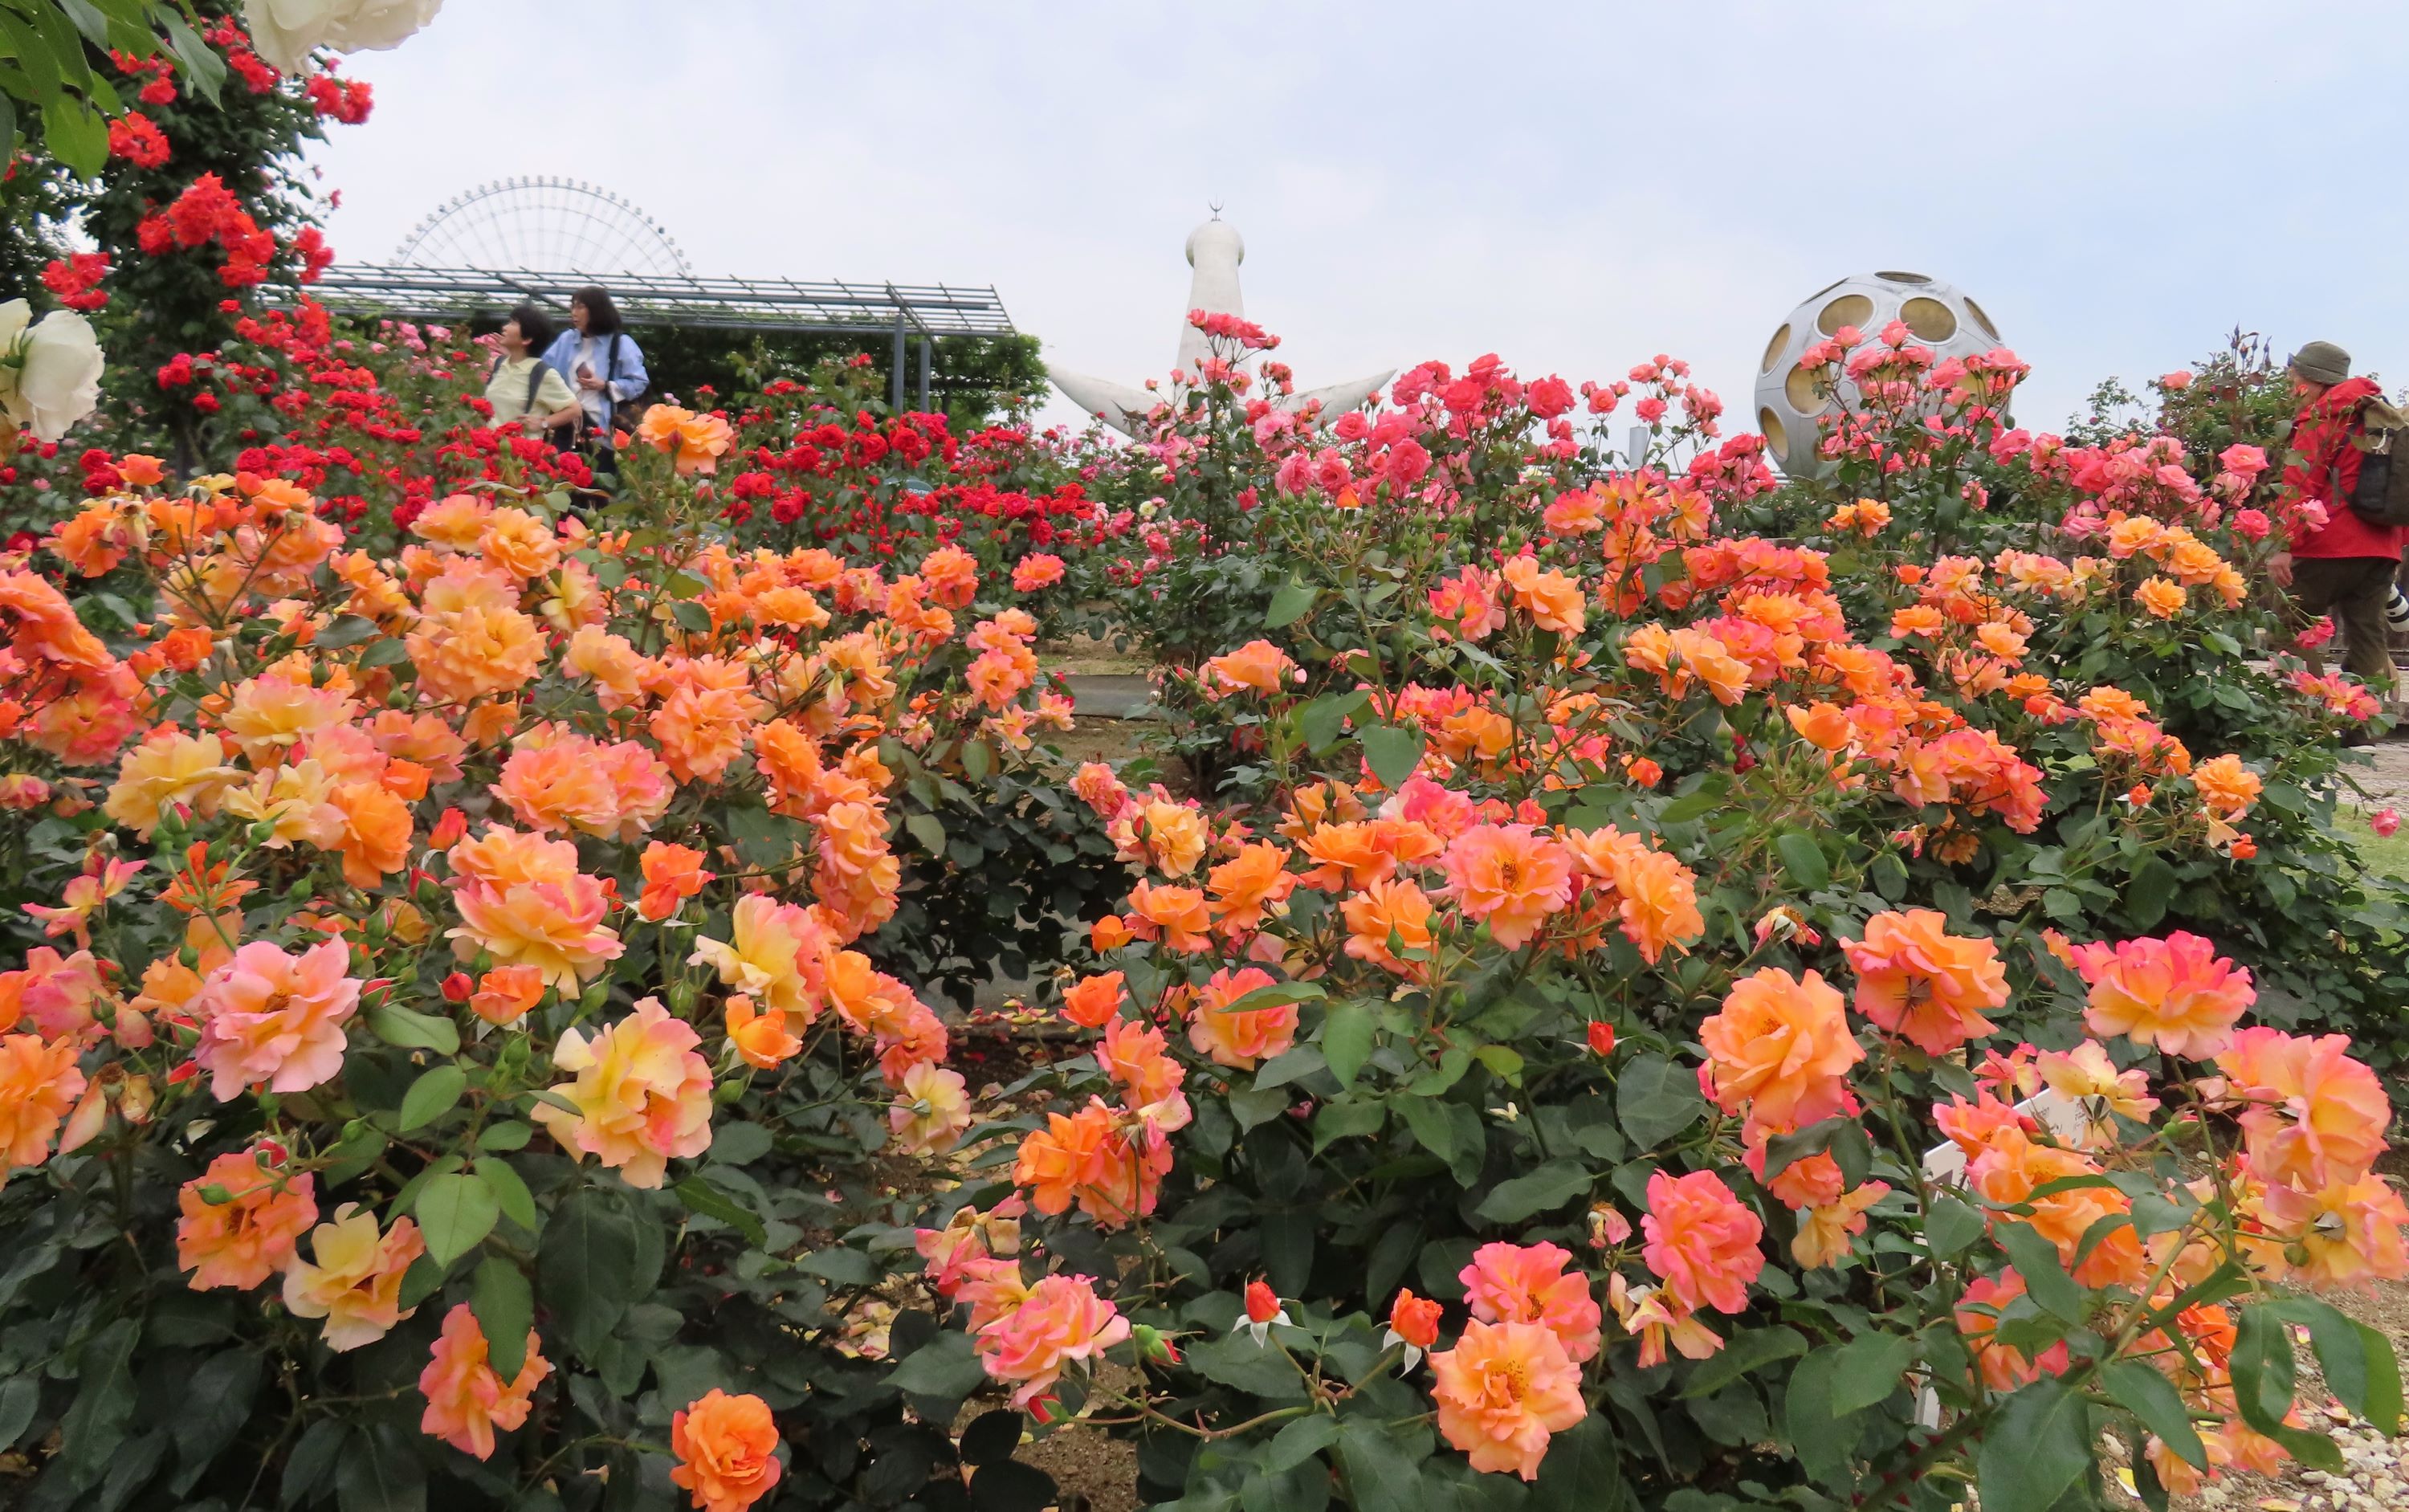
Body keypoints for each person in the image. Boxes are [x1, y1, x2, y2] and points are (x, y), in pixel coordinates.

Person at [2269, 340, 2401, 695]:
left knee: (2290, 621)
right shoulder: (2382, 415)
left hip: (2330, 542)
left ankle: (2307, 712)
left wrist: (2285, 544)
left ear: (2310, 379)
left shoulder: (2324, 416)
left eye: (2292, 375)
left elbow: (2300, 484)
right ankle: (2359, 724)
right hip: (2382, 545)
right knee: (2368, 634)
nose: (2290, 384)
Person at [540, 285, 649, 461]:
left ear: (597, 310)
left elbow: (639, 382)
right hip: (565, 428)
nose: (574, 312)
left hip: (601, 432)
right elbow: (542, 372)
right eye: (572, 306)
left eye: (580, 307)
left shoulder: (620, 343)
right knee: (562, 482)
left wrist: (605, 385)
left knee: (598, 482)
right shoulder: (566, 340)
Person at [482, 304, 582, 440]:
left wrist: (543, 423)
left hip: (519, 456)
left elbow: (574, 410)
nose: (505, 328)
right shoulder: (499, 365)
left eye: (513, 323)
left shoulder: (541, 373)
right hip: (490, 451)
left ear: (527, 339)